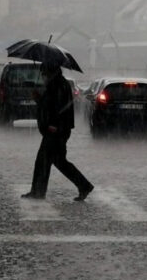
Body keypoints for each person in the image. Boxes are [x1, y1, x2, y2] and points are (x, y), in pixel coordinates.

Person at [22, 61, 94, 201]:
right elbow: (49, 105)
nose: (42, 76)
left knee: (43, 161)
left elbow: (59, 107)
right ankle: (83, 185)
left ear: (50, 72)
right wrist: (39, 99)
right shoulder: (55, 84)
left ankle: (38, 191)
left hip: (56, 130)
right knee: (58, 161)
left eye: (43, 73)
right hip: (56, 129)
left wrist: (54, 124)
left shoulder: (58, 85)